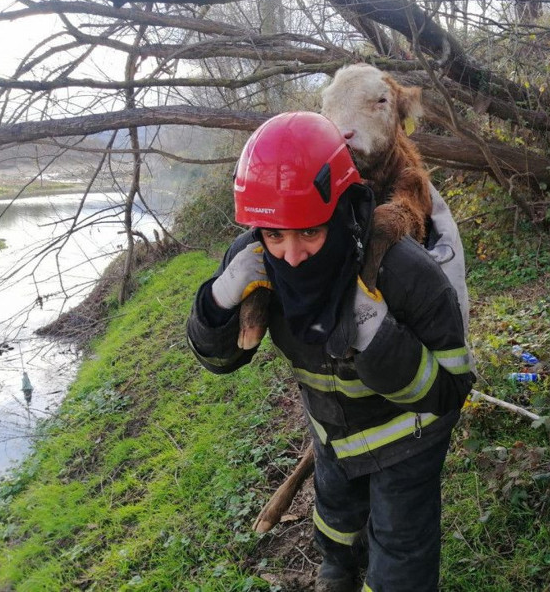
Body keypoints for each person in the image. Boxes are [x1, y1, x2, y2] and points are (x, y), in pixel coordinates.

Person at [186, 111, 474, 592]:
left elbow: (450, 390)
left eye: (311, 232)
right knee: (336, 523)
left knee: (400, 555)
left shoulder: (407, 272)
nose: (292, 255)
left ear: (343, 211)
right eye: (275, 234)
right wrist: (219, 299)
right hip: (332, 433)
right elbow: (217, 360)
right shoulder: (256, 257)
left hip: (409, 439)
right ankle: (337, 574)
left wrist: (375, 334)